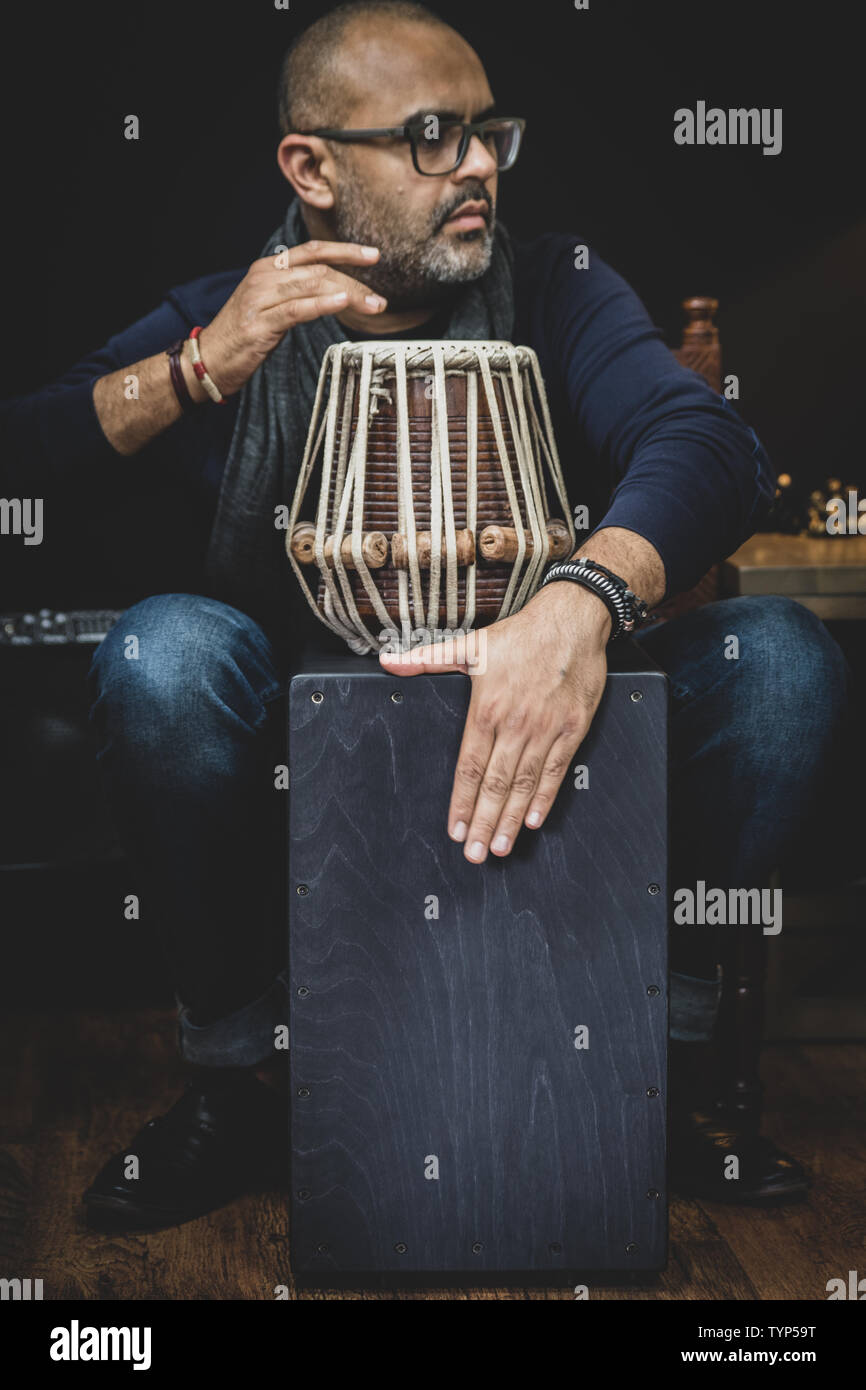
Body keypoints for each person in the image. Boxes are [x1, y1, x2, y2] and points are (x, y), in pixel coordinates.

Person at [2, 0, 848, 1230]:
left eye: (490, 132)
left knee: (777, 661)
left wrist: (578, 603)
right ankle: (238, 1080)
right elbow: (23, 462)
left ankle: (653, 1070)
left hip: (561, 745)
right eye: (432, 136)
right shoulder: (225, 313)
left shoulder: (554, 288)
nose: (480, 166)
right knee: (165, 654)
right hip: (308, 766)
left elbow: (711, 445)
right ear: (311, 169)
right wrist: (194, 368)